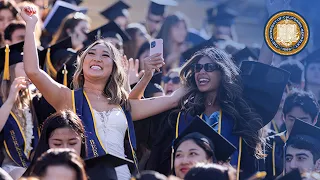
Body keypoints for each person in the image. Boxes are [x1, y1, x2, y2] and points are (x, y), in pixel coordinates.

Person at [21, 6, 185, 180]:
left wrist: (200, 68)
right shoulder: (68, 98)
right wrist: (31, 26)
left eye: (105, 55)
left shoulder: (124, 106)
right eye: (91, 53)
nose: (97, 58)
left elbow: (173, 99)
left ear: (114, 67)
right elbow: (33, 71)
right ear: (83, 65)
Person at [146, 48, 289, 179]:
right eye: (198, 68)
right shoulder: (181, 116)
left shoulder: (239, 114)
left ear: (222, 72)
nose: (202, 72)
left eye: (209, 67)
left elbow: (261, 74)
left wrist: (269, 31)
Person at [0, 42, 42, 180]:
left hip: (27, 166)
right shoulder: (2, 100)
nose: (29, 72)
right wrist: (10, 99)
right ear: (10, 70)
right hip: (5, 167)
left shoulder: (30, 101)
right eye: (24, 68)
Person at [265, 90, 319, 179]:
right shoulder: (269, 145)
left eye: (303, 120)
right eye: (291, 119)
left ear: (315, 120)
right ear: (284, 117)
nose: (295, 124)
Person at [23, 110, 87, 177]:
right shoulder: (32, 177)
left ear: (82, 142)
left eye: (72, 143)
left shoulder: (95, 173)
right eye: (57, 144)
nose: (65, 149)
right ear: (46, 143)